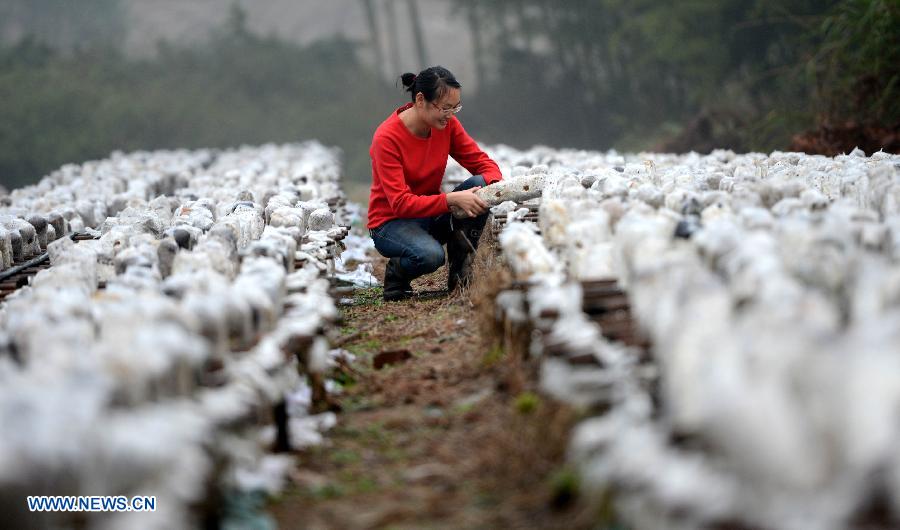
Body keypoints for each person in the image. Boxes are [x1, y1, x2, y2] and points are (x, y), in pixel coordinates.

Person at [367, 66, 502, 301]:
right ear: (421, 100)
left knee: (481, 186)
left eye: (455, 107)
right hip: (390, 223)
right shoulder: (386, 138)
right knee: (430, 256)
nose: (450, 115)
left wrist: (489, 187)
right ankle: (397, 274)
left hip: (428, 214)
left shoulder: (447, 126)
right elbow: (400, 204)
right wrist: (451, 200)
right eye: (445, 108)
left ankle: (461, 277)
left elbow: (485, 166)